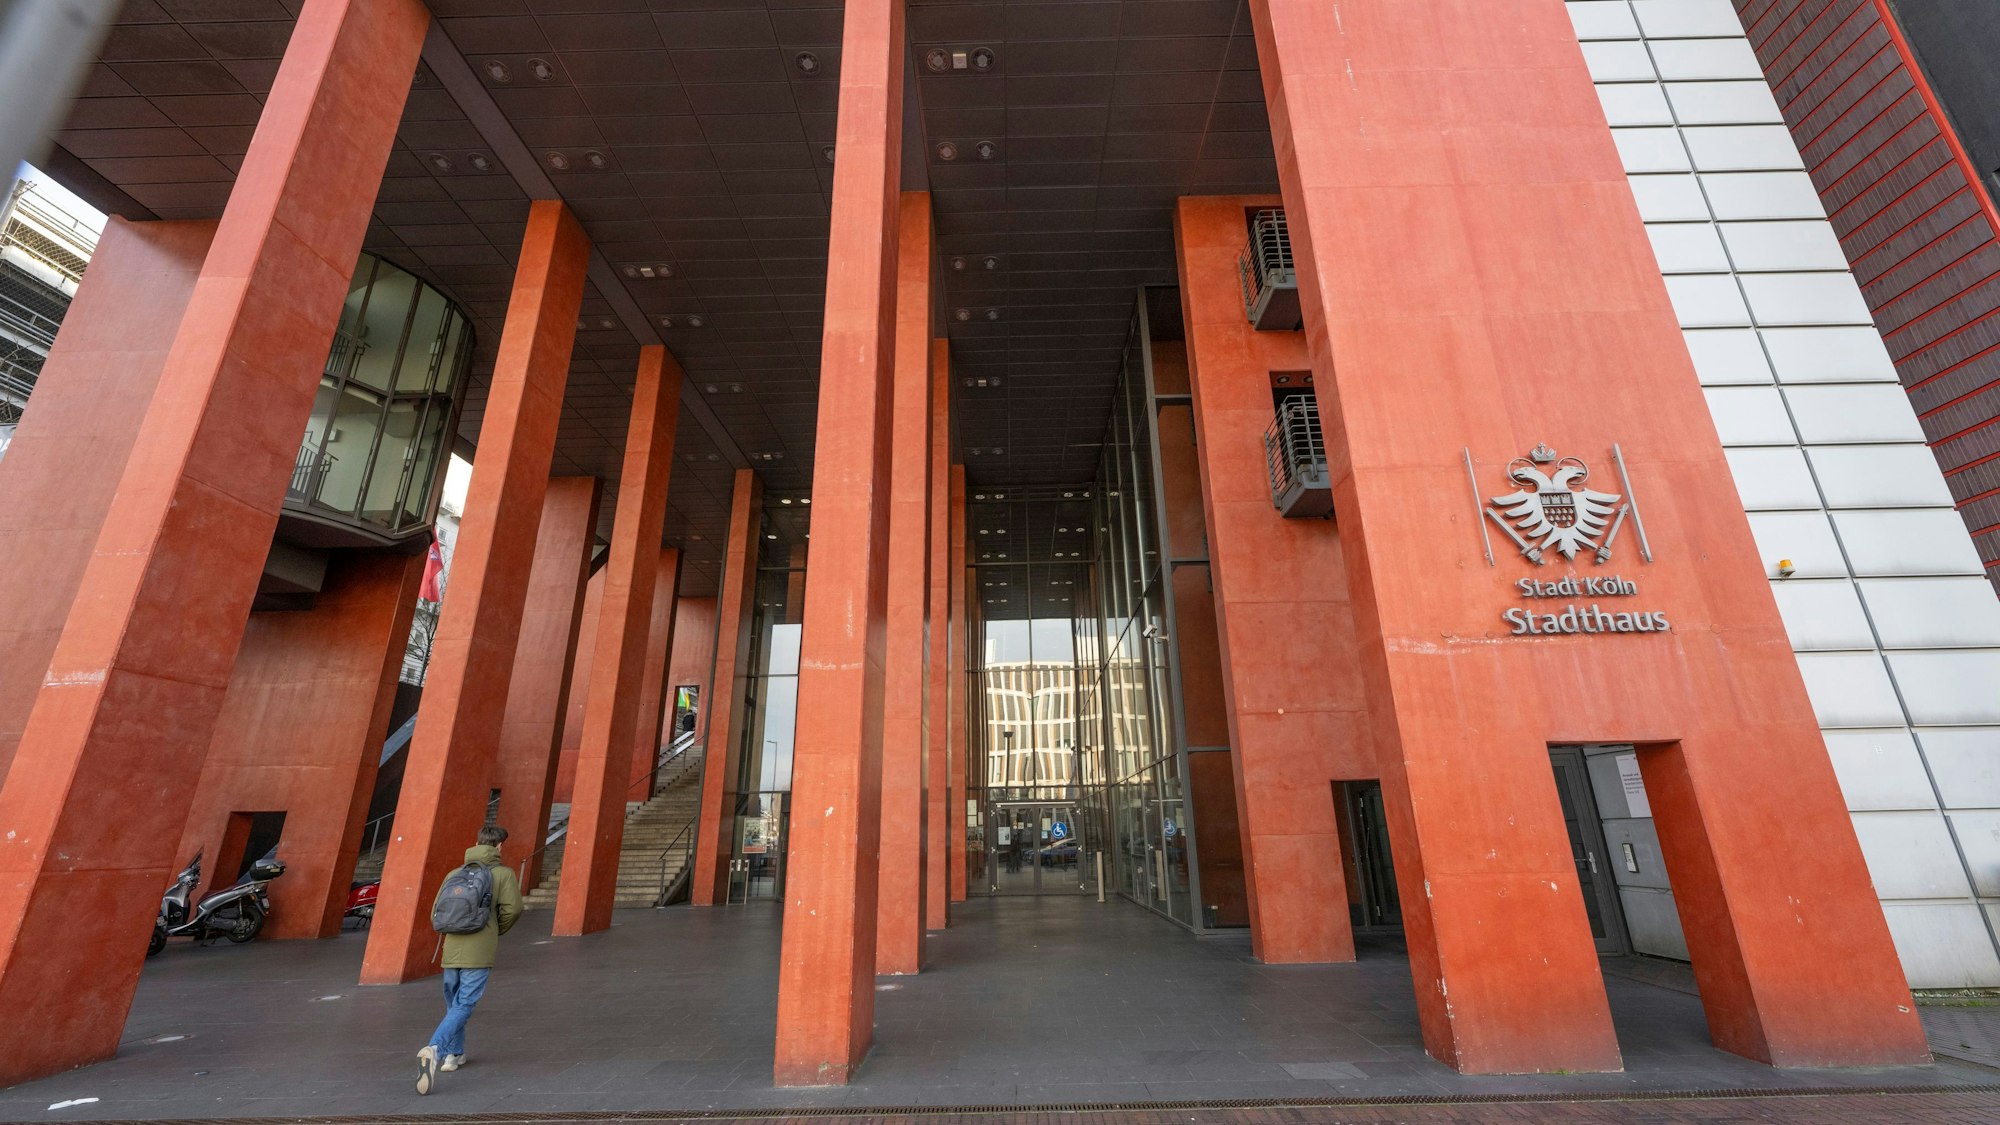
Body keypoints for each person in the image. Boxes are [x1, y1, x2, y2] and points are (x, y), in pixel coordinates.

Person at [416, 825, 521, 1095]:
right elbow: (513, 910)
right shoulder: (503, 874)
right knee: (465, 1003)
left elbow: (435, 912)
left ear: (475, 843)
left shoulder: (455, 873)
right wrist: (495, 929)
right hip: (479, 949)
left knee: (454, 1004)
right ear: (499, 847)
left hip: (451, 948)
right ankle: (434, 1049)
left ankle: (455, 1055)